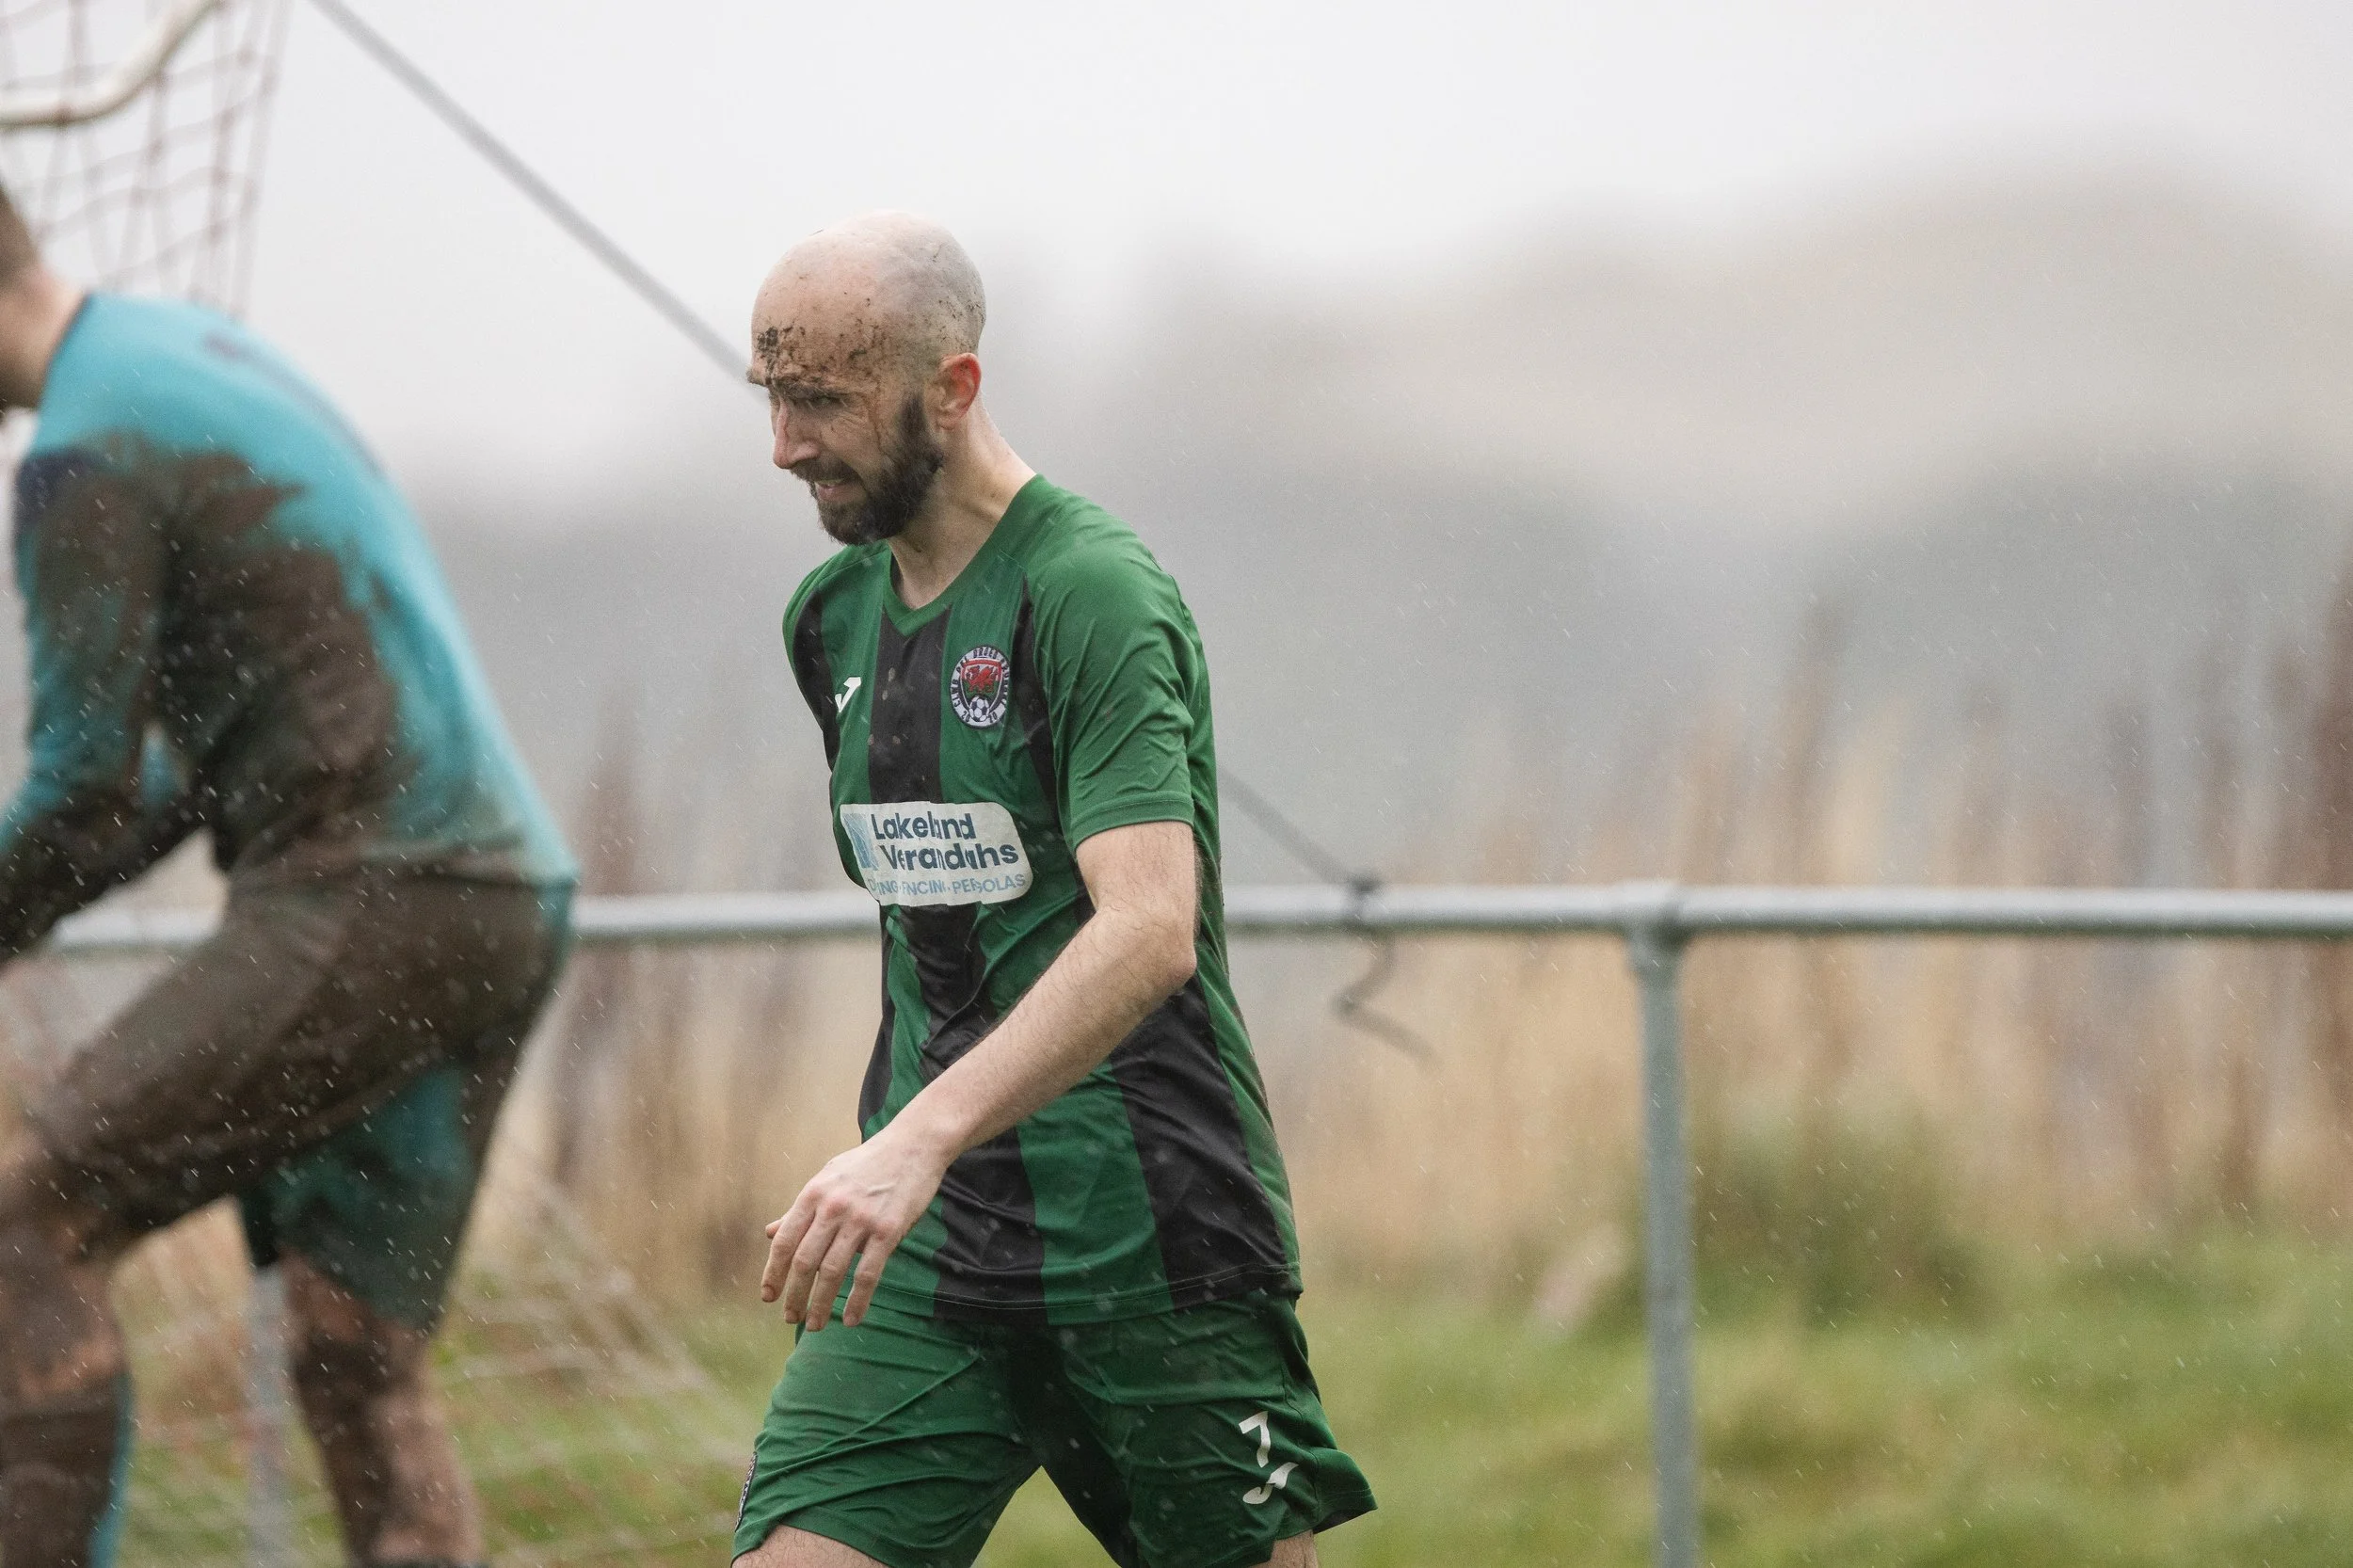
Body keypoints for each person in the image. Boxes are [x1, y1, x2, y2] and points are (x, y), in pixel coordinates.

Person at [735, 212, 1373, 1568]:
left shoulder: (1093, 592)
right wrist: (915, 1153)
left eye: (823, 400)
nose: (785, 444)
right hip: (930, 1249)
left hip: (1151, 1236)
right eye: (771, 397)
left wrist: (915, 1137)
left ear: (954, 387)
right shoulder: (829, 619)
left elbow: (1147, 930)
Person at [0, 185, 575, 1568]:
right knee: (353, 1349)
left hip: (370, 891)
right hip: (502, 897)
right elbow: (176, 777)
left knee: (24, 1226)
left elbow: (79, 791)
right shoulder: (191, 356)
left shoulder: (81, 457)